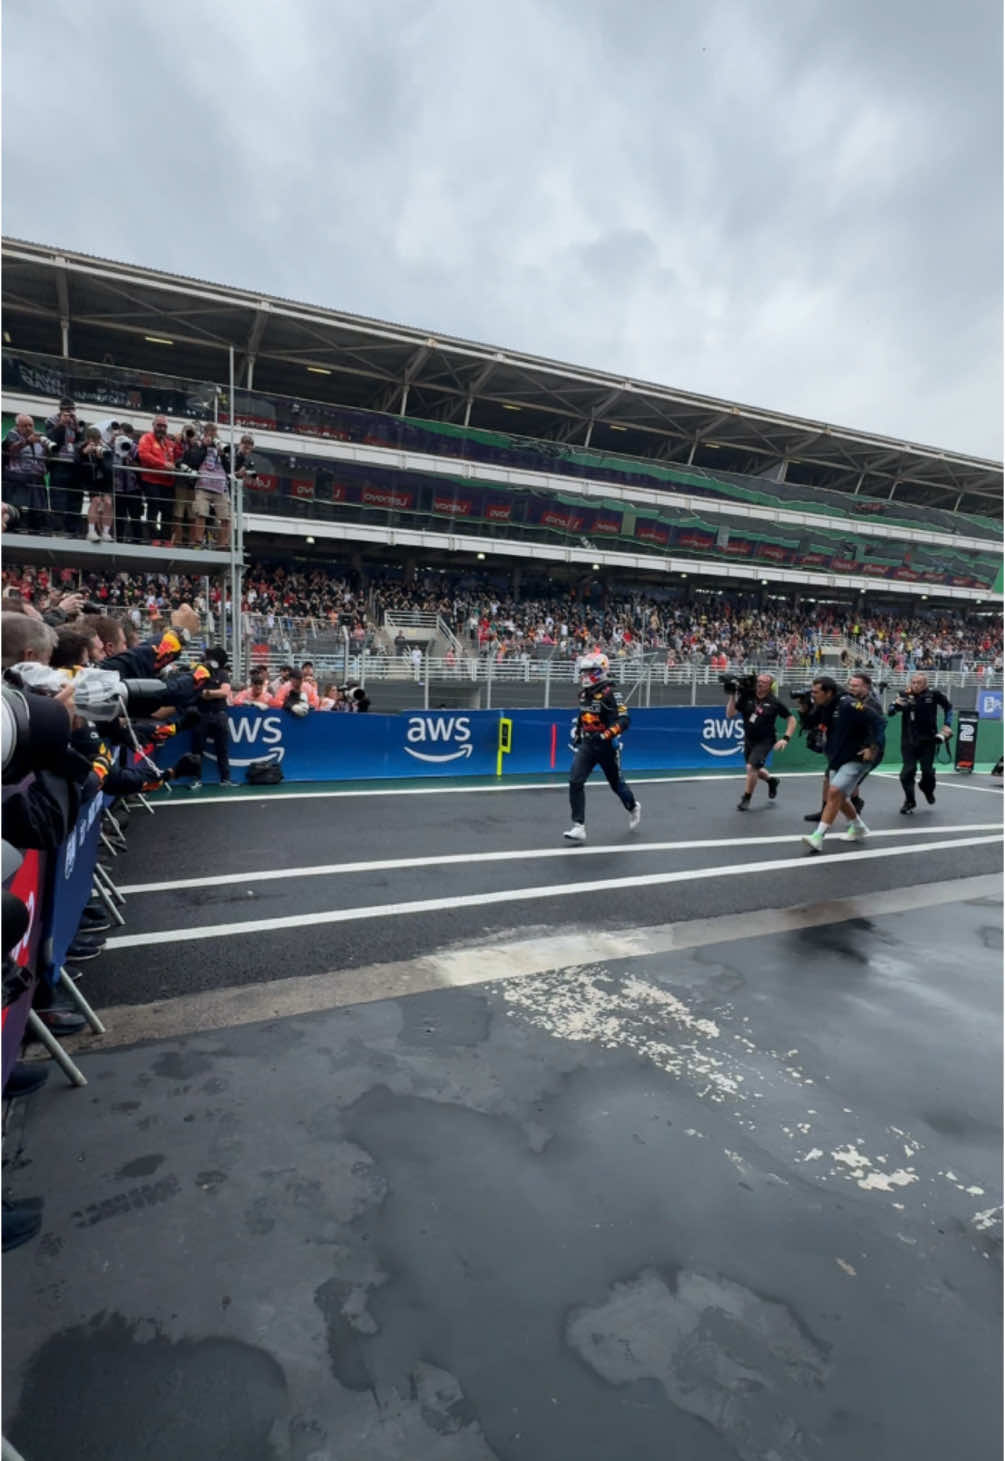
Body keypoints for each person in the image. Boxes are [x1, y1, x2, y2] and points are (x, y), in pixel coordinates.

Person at [802, 673, 885, 854]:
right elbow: (809, 724)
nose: (813, 694)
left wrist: (873, 747)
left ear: (829, 692)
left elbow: (878, 721)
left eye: (816, 692)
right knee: (840, 797)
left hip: (858, 756)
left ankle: (818, 837)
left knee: (834, 791)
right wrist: (803, 707)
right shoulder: (825, 706)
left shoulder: (848, 704)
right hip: (837, 756)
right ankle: (858, 826)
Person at [563, 651, 641, 843]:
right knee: (575, 780)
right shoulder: (583, 694)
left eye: (589, 672)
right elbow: (583, 715)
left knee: (616, 785)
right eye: (583, 672)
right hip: (589, 745)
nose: (584, 676)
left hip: (607, 746)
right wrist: (579, 733)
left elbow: (625, 720)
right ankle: (578, 826)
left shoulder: (612, 693)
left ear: (600, 671)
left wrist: (606, 735)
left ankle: (633, 807)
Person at [726, 672, 796, 811]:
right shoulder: (748, 696)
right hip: (749, 738)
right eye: (758, 680)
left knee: (752, 768)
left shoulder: (775, 702)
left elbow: (791, 719)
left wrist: (786, 738)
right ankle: (772, 781)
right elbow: (730, 714)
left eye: (764, 682)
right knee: (753, 769)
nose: (759, 683)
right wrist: (732, 695)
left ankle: (746, 798)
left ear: (770, 686)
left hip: (766, 740)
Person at [888, 673, 953, 813]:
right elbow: (890, 712)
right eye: (913, 682)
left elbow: (948, 707)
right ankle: (910, 801)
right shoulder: (903, 694)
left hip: (928, 741)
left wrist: (947, 724)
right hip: (908, 741)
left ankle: (927, 790)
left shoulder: (934, 695)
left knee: (928, 773)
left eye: (919, 683)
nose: (915, 685)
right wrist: (894, 704)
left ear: (925, 684)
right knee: (907, 773)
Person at [188, 647, 234, 789]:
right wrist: (213, 693)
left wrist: (208, 692)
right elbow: (197, 692)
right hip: (201, 715)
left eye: (210, 657)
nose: (207, 659)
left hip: (219, 715)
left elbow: (225, 692)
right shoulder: (198, 673)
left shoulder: (222, 674)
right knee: (197, 749)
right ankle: (196, 779)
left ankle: (225, 779)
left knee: (223, 748)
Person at [2, 414, 50, 533]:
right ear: (18, 426)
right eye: (25, 426)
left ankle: (37, 530)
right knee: (16, 505)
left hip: (37, 477)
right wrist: (27, 441)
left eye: (30, 425)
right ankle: (14, 528)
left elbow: (47, 458)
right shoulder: (12, 434)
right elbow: (10, 449)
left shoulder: (40, 436)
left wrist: (48, 447)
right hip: (17, 476)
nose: (28, 428)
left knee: (39, 508)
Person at [44, 397, 84, 535]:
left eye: (71, 409)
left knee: (75, 497)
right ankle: (58, 528)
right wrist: (61, 424)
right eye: (67, 410)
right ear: (60, 410)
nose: (70, 413)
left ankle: (72, 529)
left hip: (74, 465)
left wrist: (78, 429)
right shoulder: (51, 421)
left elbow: (81, 443)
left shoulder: (77, 422)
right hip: (59, 463)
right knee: (58, 497)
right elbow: (53, 440)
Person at [135, 416, 177, 545]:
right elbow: (144, 455)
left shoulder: (169, 442)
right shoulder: (146, 438)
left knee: (168, 511)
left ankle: (166, 539)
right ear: (153, 426)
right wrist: (163, 464)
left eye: (164, 426)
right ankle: (154, 538)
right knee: (153, 507)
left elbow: (176, 457)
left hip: (168, 482)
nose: (162, 428)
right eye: (159, 425)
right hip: (151, 479)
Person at [77, 426, 114, 541]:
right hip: (91, 479)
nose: (95, 442)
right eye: (92, 440)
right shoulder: (81, 447)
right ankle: (91, 531)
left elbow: (109, 468)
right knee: (96, 501)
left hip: (105, 480)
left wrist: (100, 459)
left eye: (97, 439)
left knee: (108, 503)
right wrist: (84, 453)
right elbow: (77, 462)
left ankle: (106, 533)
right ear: (87, 439)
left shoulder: (105, 448)